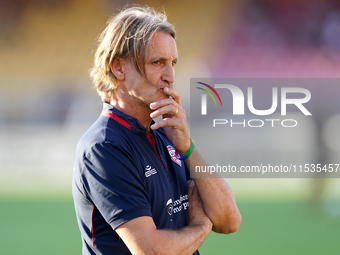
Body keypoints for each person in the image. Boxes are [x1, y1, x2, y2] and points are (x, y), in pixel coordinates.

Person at [72, 6, 241, 255]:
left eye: (173, 63)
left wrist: (188, 147)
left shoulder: (168, 134)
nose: (170, 76)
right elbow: (151, 250)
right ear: (118, 67)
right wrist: (201, 226)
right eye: (157, 62)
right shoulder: (104, 147)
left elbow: (229, 220)